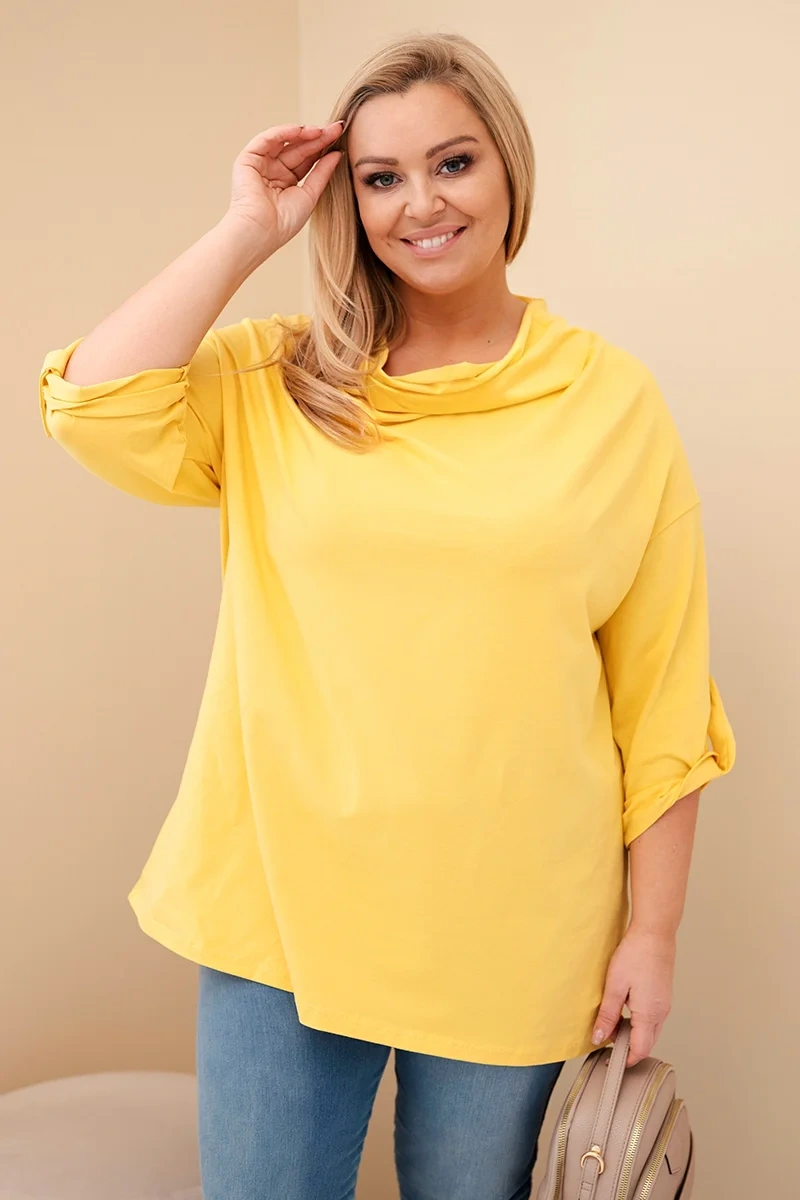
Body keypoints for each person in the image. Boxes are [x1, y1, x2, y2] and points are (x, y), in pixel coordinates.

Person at [38, 30, 736, 1200]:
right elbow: (93, 406)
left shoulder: (609, 400)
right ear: (347, 201)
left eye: (452, 162)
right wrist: (246, 229)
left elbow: (660, 701)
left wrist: (650, 934)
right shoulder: (281, 380)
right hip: (279, 910)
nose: (420, 203)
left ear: (508, 168)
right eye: (380, 177)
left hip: (515, 928)